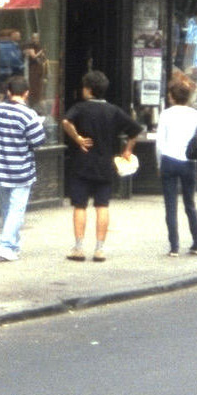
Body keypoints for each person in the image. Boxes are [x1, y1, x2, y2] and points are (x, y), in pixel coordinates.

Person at [60, 69, 143, 262]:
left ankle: (78, 248)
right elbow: (135, 130)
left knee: (80, 206)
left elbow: (65, 121)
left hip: (82, 164)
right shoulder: (113, 111)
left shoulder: (80, 108)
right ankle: (99, 249)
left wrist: (78, 138)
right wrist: (128, 150)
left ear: (88, 89)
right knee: (102, 206)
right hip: (105, 164)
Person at [0, 73, 46, 262]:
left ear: (9, 91)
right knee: (17, 210)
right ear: (26, 93)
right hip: (21, 168)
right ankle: (5, 245)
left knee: (6, 208)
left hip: (1, 166)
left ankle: (13, 244)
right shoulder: (28, 114)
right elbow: (38, 141)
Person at [158, 81, 197, 257]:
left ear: (172, 97)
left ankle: (174, 246)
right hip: (189, 162)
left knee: (170, 206)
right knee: (190, 204)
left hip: (169, 160)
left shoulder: (165, 114)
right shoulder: (196, 115)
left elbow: (159, 143)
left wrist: (159, 164)